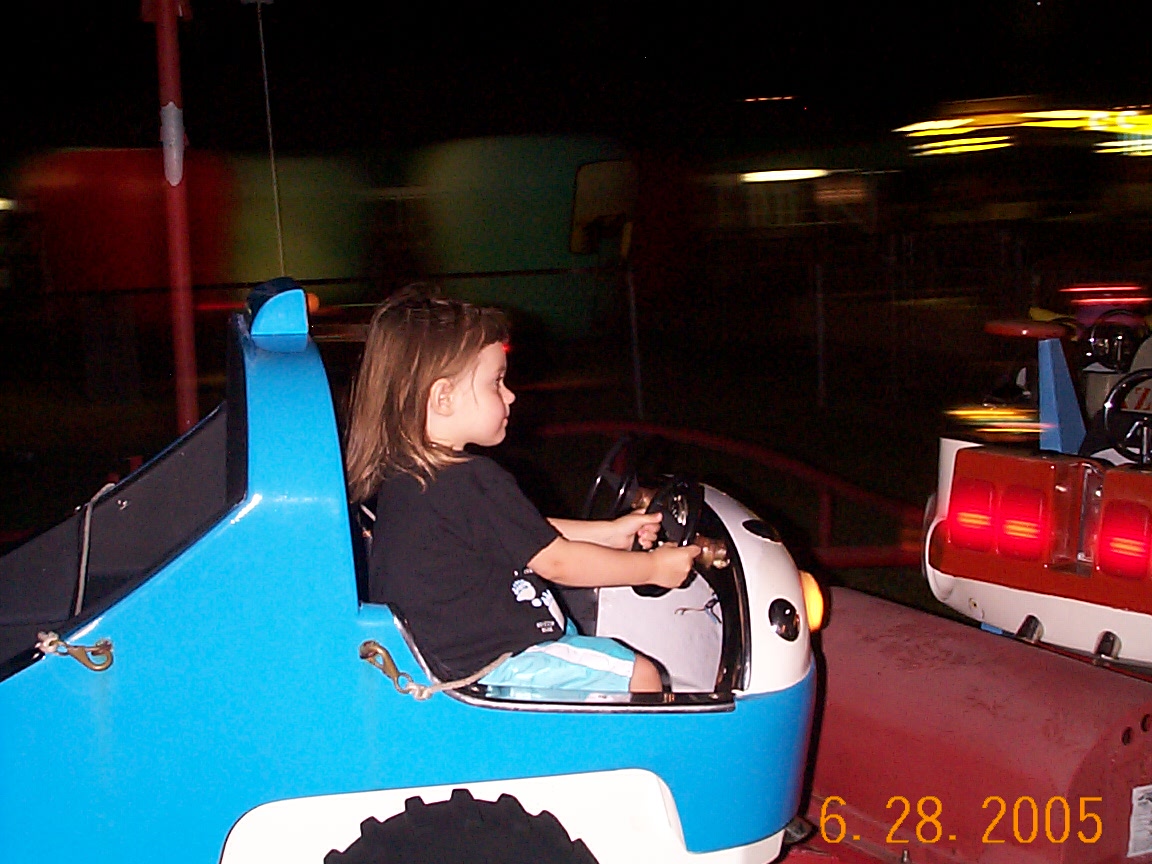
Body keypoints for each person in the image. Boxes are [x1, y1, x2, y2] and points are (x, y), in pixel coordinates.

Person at [345, 287, 699, 694]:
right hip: (497, 666)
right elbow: (558, 562)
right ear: (444, 397)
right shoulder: (470, 478)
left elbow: (516, 531)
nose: (510, 395)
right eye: (496, 383)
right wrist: (653, 569)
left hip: (460, 658)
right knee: (641, 676)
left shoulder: (410, 476)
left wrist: (610, 533)